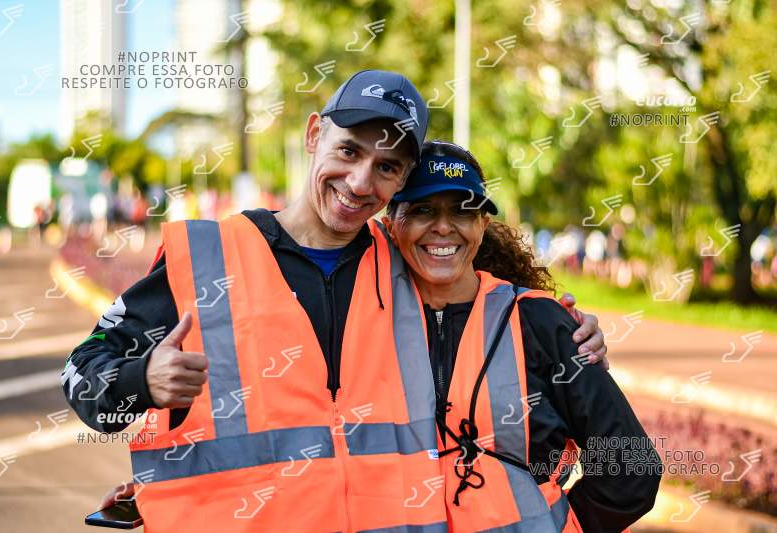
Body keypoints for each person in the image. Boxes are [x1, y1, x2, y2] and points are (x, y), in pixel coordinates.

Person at [64, 70, 608, 532]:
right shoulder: (208, 257)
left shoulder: (412, 267)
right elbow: (81, 377)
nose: (360, 182)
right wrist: (141, 382)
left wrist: (567, 335)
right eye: (348, 151)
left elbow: (495, 349)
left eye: (387, 167)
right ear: (313, 135)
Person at [382, 140, 661, 532]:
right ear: (391, 225)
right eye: (422, 210)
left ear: (482, 224)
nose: (443, 226)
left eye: (462, 210)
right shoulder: (366, 322)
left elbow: (632, 467)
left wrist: (559, 526)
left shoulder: (537, 320)